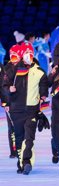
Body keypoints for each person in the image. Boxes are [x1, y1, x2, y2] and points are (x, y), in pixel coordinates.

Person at [3, 42, 48, 175]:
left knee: (29, 138)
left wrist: (43, 97)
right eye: (26, 54)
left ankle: (27, 161)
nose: (28, 56)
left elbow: (44, 84)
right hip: (16, 109)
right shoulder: (13, 69)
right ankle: (21, 163)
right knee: (19, 138)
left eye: (30, 54)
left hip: (31, 110)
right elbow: (4, 85)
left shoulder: (39, 71)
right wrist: (8, 90)